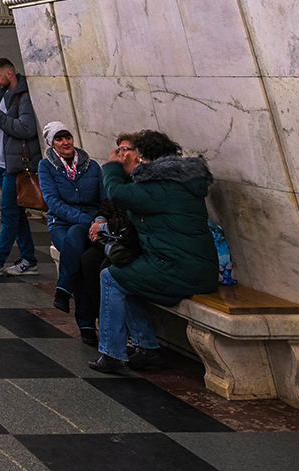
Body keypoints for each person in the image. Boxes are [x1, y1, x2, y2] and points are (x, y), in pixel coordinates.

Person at [90, 130, 219, 375]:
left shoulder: (161, 187)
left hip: (179, 269)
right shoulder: (176, 181)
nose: (123, 156)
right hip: (190, 266)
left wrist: (112, 166)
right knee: (125, 275)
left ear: (142, 158)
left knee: (110, 277)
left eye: (128, 152)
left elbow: (116, 193)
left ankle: (112, 353)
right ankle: (146, 347)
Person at [36, 120, 103, 347]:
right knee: (79, 254)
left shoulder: (92, 166)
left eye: (68, 137)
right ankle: (86, 323)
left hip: (89, 224)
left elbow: (103, 200)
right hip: (61, 223)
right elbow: (53, 202)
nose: (66, 142)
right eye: (59, 138)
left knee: (80, 251)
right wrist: (86, 219)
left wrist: (97, 220)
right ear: (52, 143)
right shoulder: (45, 167)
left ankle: (64, 289)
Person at [0, 57, 41, 276]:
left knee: (9, 212)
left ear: (9, 73)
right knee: (17, 213)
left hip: (15, 165)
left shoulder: (24, 97)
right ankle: (29, 259)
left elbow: (26, 129)